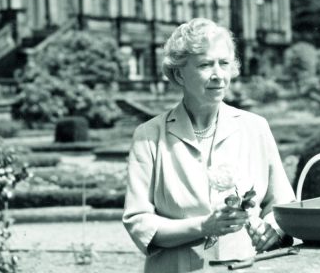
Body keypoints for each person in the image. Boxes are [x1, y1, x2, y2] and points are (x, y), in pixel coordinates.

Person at [123, 17, 296, 272]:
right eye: (205, 65)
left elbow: (283, 204)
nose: (219, 75)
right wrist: (204, 227)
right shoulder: (149, 136)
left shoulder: (256, 127)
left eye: (224, 63)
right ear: (179, 73)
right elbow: (139, 222)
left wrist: (272, 230)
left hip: (249, 266)